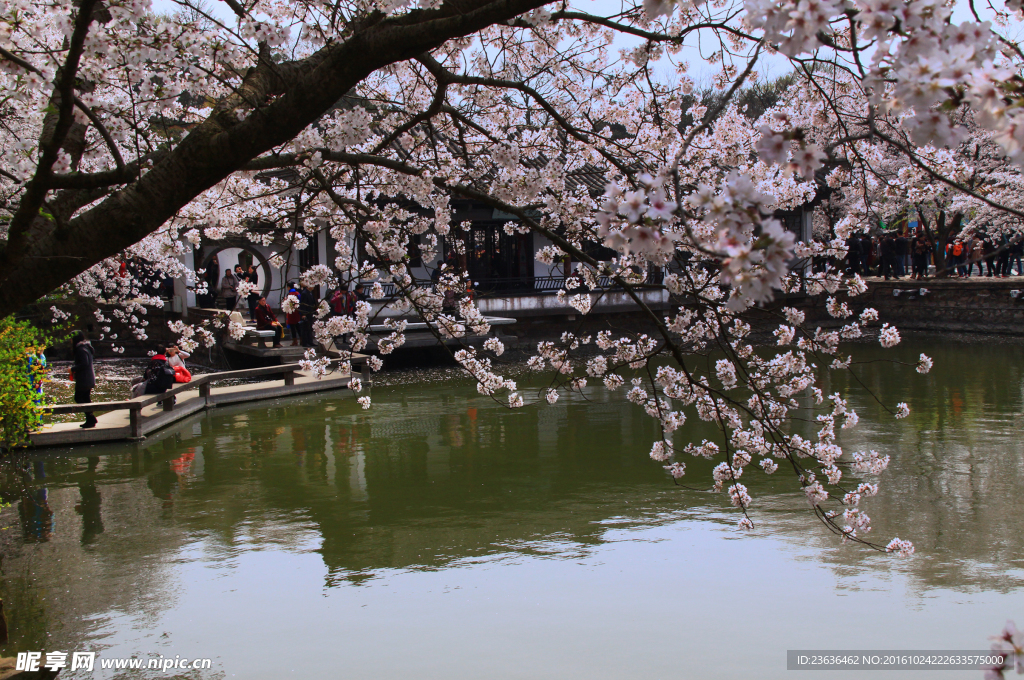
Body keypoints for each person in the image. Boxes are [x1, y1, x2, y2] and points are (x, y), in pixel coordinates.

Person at [70, 331, 97, 429]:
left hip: (84, 379)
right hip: (89, 378)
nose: (70, 340)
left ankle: (91, 418)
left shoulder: (80, 349)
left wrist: (72, 369)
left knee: (78, 398)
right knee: (86, 398)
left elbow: (84, 363)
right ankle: (90, 420)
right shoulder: (86, 347)